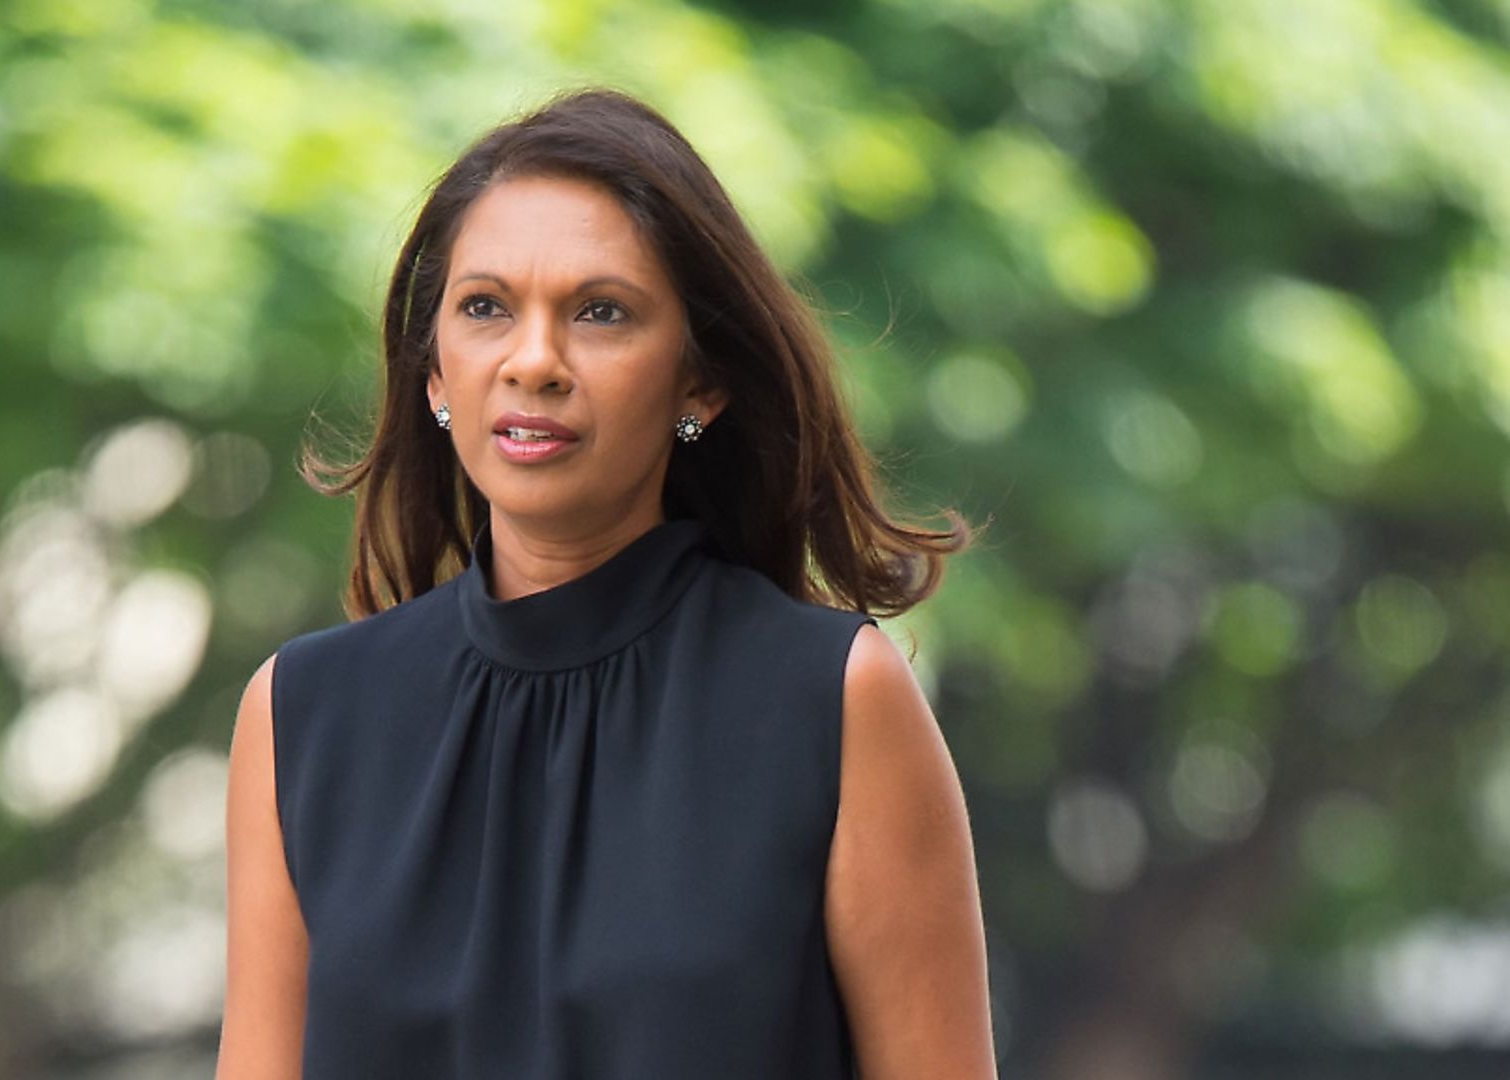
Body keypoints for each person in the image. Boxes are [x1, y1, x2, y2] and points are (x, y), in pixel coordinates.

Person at [217, 86, 997, 1079]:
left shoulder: (834, 701)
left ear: (699, 383)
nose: (533, 361)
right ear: (434, 376)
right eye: (486, 308)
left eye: (600, 313)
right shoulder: (302, 716)